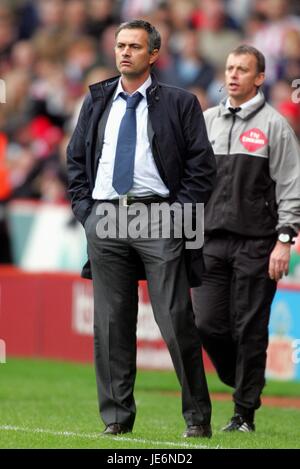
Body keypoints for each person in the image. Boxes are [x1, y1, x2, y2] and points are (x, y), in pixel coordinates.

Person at [67, 20, 216, 438]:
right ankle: (116, 419)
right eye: (119, 45)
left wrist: (177, 216)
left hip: (159, 217)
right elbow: (76, 160)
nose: (125, 52)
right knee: (111, 324)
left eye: (134, 46)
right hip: (107, 217)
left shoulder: (180, 102)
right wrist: (87, 212)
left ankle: (197, 419)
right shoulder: (96, 99)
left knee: (175, 320)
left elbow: (202, 169)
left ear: (153, 54)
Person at [192, 44, 300, 432]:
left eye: (243, 69)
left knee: (249, 327)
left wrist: (284, 239)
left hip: (258, 242)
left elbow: (291, 186)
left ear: (259, 78)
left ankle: (244, 413)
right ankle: (241, 379)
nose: (233, 75)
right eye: (229, 68)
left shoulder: (275, 126)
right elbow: (190, 180)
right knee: (206, 323)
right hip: (209, 241)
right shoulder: (205, 121)